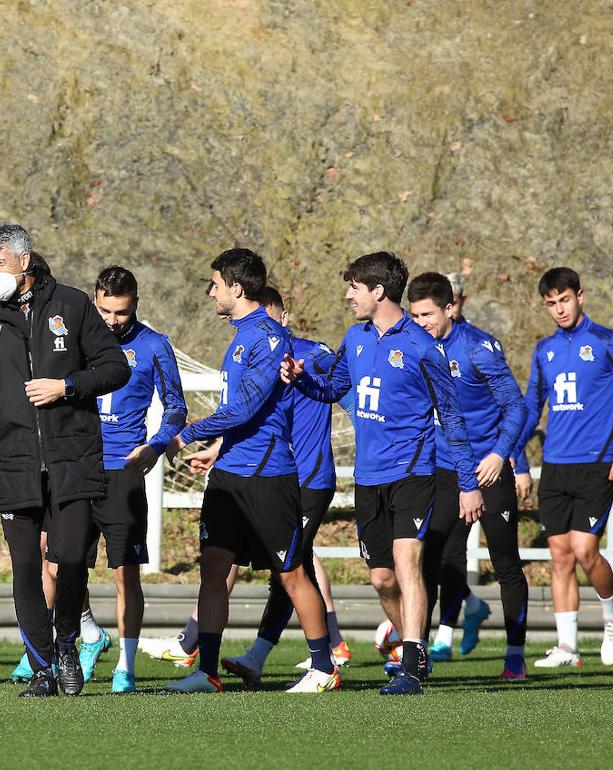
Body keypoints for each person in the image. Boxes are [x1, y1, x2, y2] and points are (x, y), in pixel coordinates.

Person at [282, 251, 482, 695]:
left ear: (377, 291)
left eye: (354, 286)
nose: (347, 294)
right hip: (368, 477)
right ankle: (414, 649)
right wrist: (299, 378)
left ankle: (411, 666)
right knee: (381, 576)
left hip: (413, 472)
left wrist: (468, 484)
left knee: (408, 563)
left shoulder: (422, 346)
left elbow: (452, 419)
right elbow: (332, 388)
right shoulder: (355, 339)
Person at [0, 224, 130, 697]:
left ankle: (68, 643)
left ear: (24, 261)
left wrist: (67, 387)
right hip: (13, 461)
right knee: (25, 568)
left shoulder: (72, 306)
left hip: (73, 456)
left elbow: (115, 367)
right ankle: (41, 669)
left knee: (72, 556)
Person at [162, 248, 339, 695]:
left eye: (215, 284)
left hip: (266, 474)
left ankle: (323, 667)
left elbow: (244, 408)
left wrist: (188, 433)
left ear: (236, 288)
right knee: (214, 568)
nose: (211, 292)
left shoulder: (268, 337)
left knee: (291, 573)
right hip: (230, 473)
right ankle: (207, 671)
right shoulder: (241, 334)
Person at [218, 286, 354, 687]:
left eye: (270, 314)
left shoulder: (313, 353)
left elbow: (343, 384)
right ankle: (327, 648)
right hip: (276, 479)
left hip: (309, 479)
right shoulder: (259, 359)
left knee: (289, 567)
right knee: (291, 565)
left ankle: (318, 659)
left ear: (283, 314)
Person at [408, 271, 531, 679]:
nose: (420, 322)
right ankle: (417, 658)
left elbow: (517, 408)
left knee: (505, 563)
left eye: (427, 314)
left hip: (488, 470)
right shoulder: (413, 349)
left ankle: (514, 655)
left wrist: (501, 455)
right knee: (430, 560)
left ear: (450, 308)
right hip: (444, 469)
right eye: (415, 314)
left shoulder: (479, 348)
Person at [513, 267, 613, 667]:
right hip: (556, 467)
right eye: (551, 303)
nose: (559, 309)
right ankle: (567, 646)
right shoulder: (544, 349)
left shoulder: (607, 341)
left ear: (580, 295)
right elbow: (533, 405)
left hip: (597, 464)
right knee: (561, 556)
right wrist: (514, 450)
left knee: (585, 551)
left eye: (564, 300)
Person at [85, 265, 187, 692]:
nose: (111, 321)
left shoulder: (154, 346)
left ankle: (125, 664)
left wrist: (156, 445)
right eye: (105, 310)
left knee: (126, 571)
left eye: (121, 313)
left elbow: (177, 408)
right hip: (78, 466)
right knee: (58, 562)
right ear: (95, 302)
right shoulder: (76, 339)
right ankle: (86, 635)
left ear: (136, 304)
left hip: (123, 472)